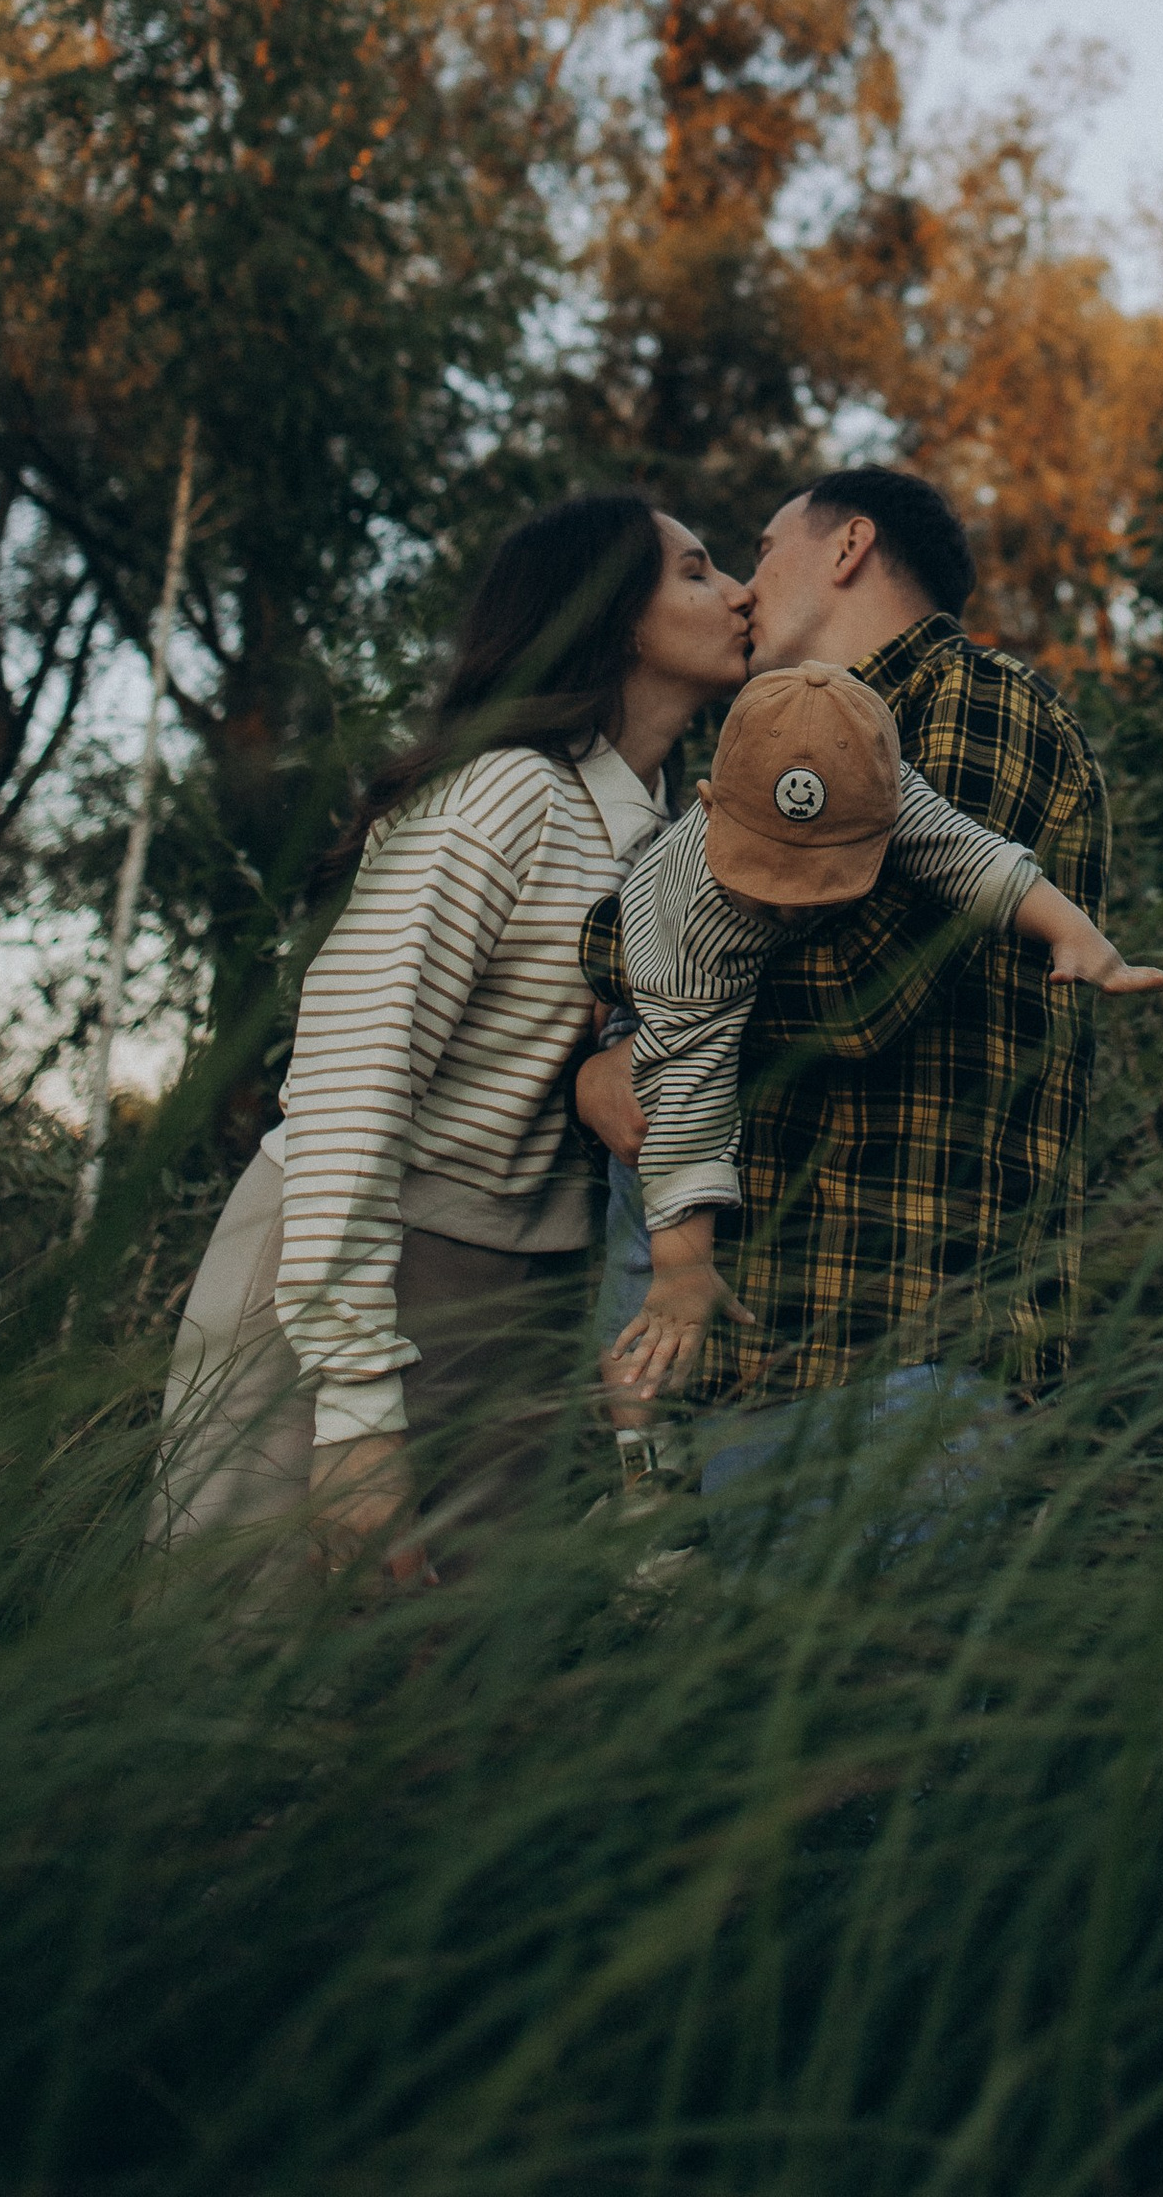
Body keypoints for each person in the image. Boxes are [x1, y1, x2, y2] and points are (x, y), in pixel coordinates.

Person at [148, 490, 750, 1584]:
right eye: (700, 571)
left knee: (432, 1702)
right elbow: (347, 1086)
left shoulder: (675, 841)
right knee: (244, 1668)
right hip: (347, 1270)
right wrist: (359, 1420)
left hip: (523, 1297)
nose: (741, 592)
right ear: (613, 614)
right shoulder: (502, 793)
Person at [576, 466, 1121, 1491]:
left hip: (910, 1357)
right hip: (779, 1366)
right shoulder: (775, 748)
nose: (743, 587)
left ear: (849, 546)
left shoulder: (974, 702)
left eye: (766, 549)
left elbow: (858, 996)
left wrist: (641, 1052)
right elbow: (613, 936)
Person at [603, 662, 1163, 1398]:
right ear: (711, 806)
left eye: (819, 881)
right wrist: (683, 1264)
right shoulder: (688, 912)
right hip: (666, 998)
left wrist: (1078, 938)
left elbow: (969, 857)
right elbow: (690, 1078)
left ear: (891, 813)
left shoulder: (888, 791)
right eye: (770, 882)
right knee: (644, 1210)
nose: (791, 908)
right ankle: (637, 1450)